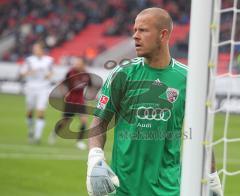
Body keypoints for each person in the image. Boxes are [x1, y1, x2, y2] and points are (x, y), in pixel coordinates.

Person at [86, 7, 223, 196]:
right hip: (123, 190)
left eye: (143, 30)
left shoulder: (189, 79)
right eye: (134, 30)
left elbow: (201, 134)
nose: (135, 36)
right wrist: (95, 157)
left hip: (170, 190)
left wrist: (213, 177)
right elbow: (99, 122)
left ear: (163, 34)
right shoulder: (122, 75)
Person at [48, 57, 90, 150]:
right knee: (65, 121)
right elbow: (62, 83)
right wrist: (64, 93)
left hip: (80, 101)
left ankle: (79, 142)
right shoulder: (71, 72)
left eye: (78, 62)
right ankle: (54, 133)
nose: (76, 64)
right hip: (71, 100)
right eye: (76, 62)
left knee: (84, 120)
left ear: (83, 64)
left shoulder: (86, 74)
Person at [20, 42, 54, 144]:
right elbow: (22, 73)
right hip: (31, 87)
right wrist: (30, 72)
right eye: (34, 49)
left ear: (42, 50)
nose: (35, 51)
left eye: (37, 49)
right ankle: (31, 130)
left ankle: (37, 136)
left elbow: (51, 72)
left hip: (43, 88)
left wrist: (48, 75)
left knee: (40, 111)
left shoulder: (49, 60)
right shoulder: (29, 60)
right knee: (30, 111)